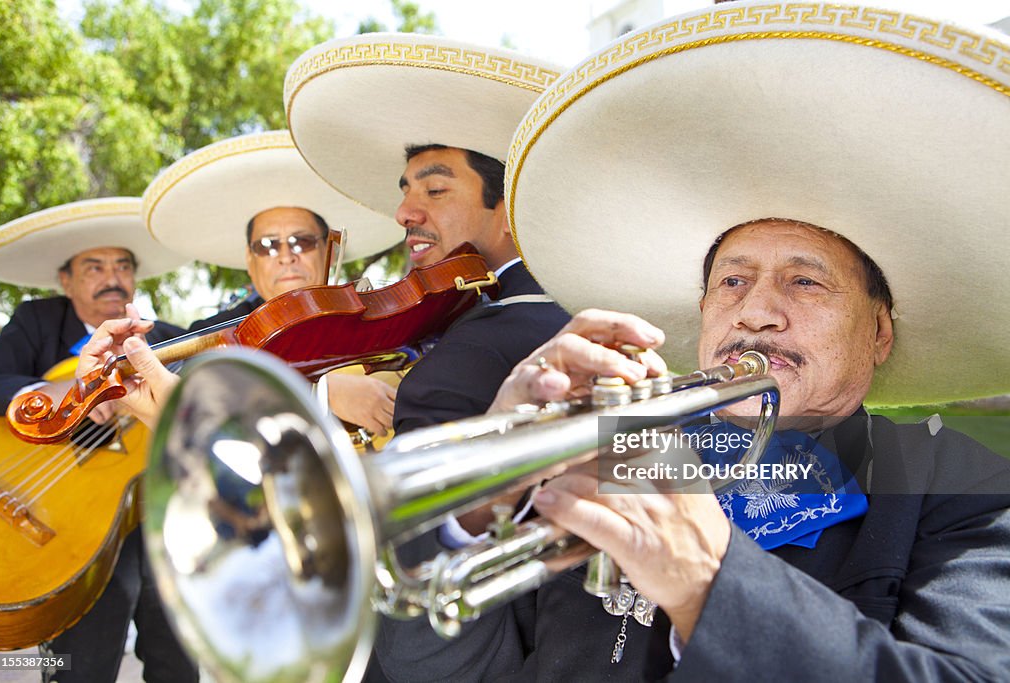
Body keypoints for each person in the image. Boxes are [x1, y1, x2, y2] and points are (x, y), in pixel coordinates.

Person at [365, 4, 1010, 680]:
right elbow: (441, 669)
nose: (756, 311)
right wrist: (482, 492)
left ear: (878, 333)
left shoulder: (960, 483)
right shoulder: (615, 453)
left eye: (805, 283)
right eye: (732, 281)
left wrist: (711, 584)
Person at [285, 33, 572, 434]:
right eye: (405, 192)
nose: (403, 213)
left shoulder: (466, 356)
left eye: (435, 191)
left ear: (511, 212)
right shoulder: (571, 308)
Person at [0, 198, 198, 682]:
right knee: (81, 666)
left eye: (122, 265)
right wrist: (59, 392)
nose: (113, 277)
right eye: (94, 266)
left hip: (157, 519)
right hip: (67, 520)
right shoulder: (39, 322)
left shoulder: (167, 339)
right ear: (66, 281)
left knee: (178, 658)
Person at [142, 130, 405, 436]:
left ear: (327, 251)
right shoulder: (229, 331)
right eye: (267, 246)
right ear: (251, 262)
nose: (285, 256)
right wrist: (318, 393)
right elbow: (178, 371)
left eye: (302, 241)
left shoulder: (370, 315)